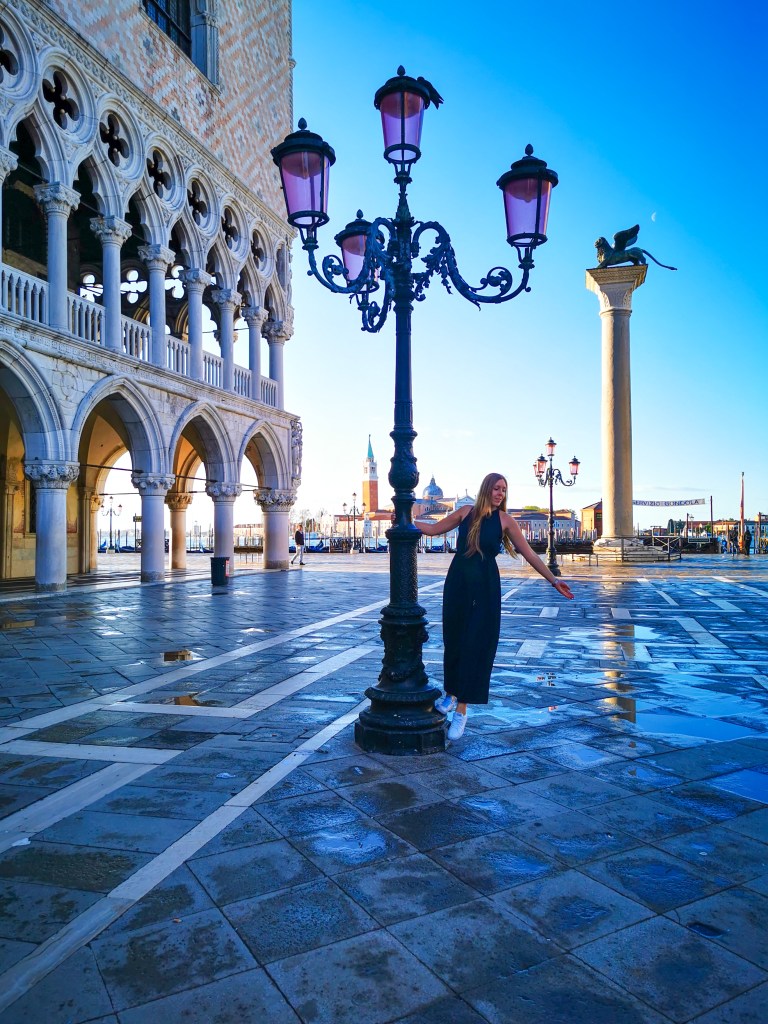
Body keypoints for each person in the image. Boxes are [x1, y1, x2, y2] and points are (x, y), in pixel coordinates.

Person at [415, 472, 573, 741]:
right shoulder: (465, 512)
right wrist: (405, 518)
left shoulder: (505, 520)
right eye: (497, 488)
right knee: (454, 639)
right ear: (486, 489)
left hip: (485, 586)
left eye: (504, 490)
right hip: (457, 582)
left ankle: (462, 710)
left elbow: (529, 553)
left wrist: (553, 580)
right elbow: (432, 529)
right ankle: (451, 694)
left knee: (475, 643)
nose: (500, 493)